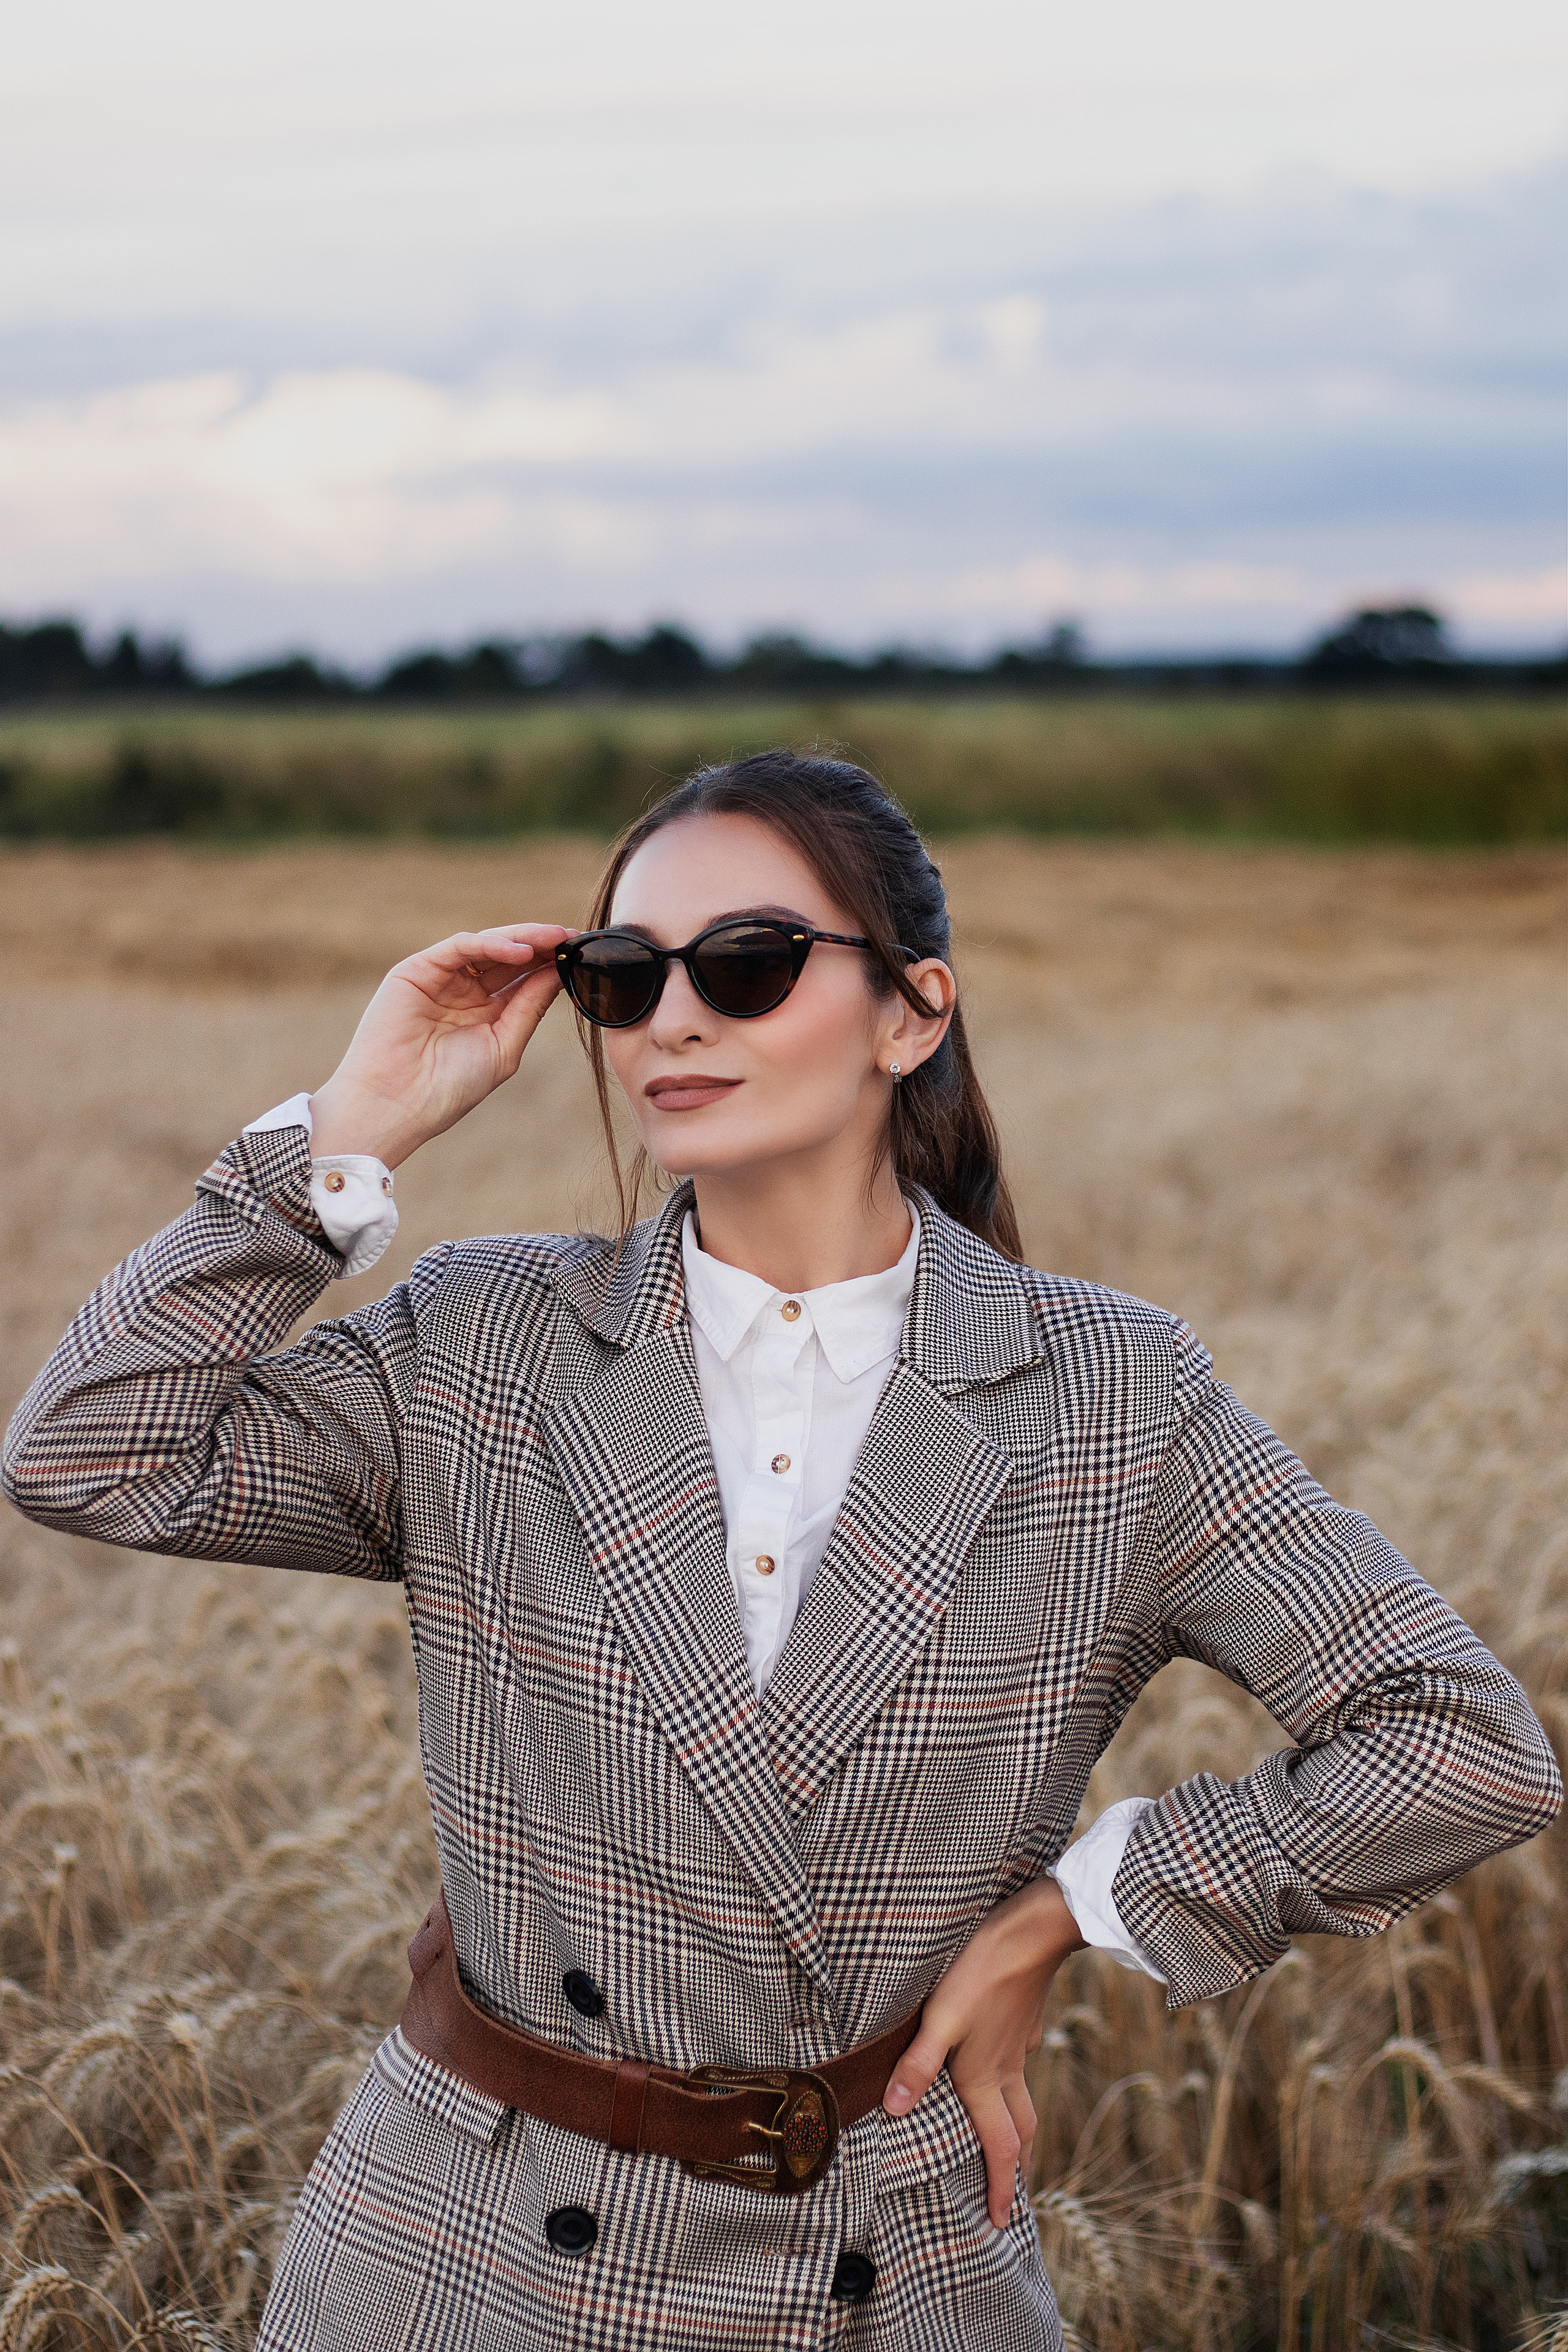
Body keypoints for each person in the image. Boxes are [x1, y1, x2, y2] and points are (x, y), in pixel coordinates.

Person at [4, 750, 1559, 2352]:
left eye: (743, 966)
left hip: (890, 2268)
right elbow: (90, 1449)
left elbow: (1461, 1741)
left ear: (912, 1013)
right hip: (456, 2264)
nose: (672, 1019)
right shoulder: (483, 1344)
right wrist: (353, 1129)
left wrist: (1079, 1908)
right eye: (621, 979)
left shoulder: (1113, 1402)